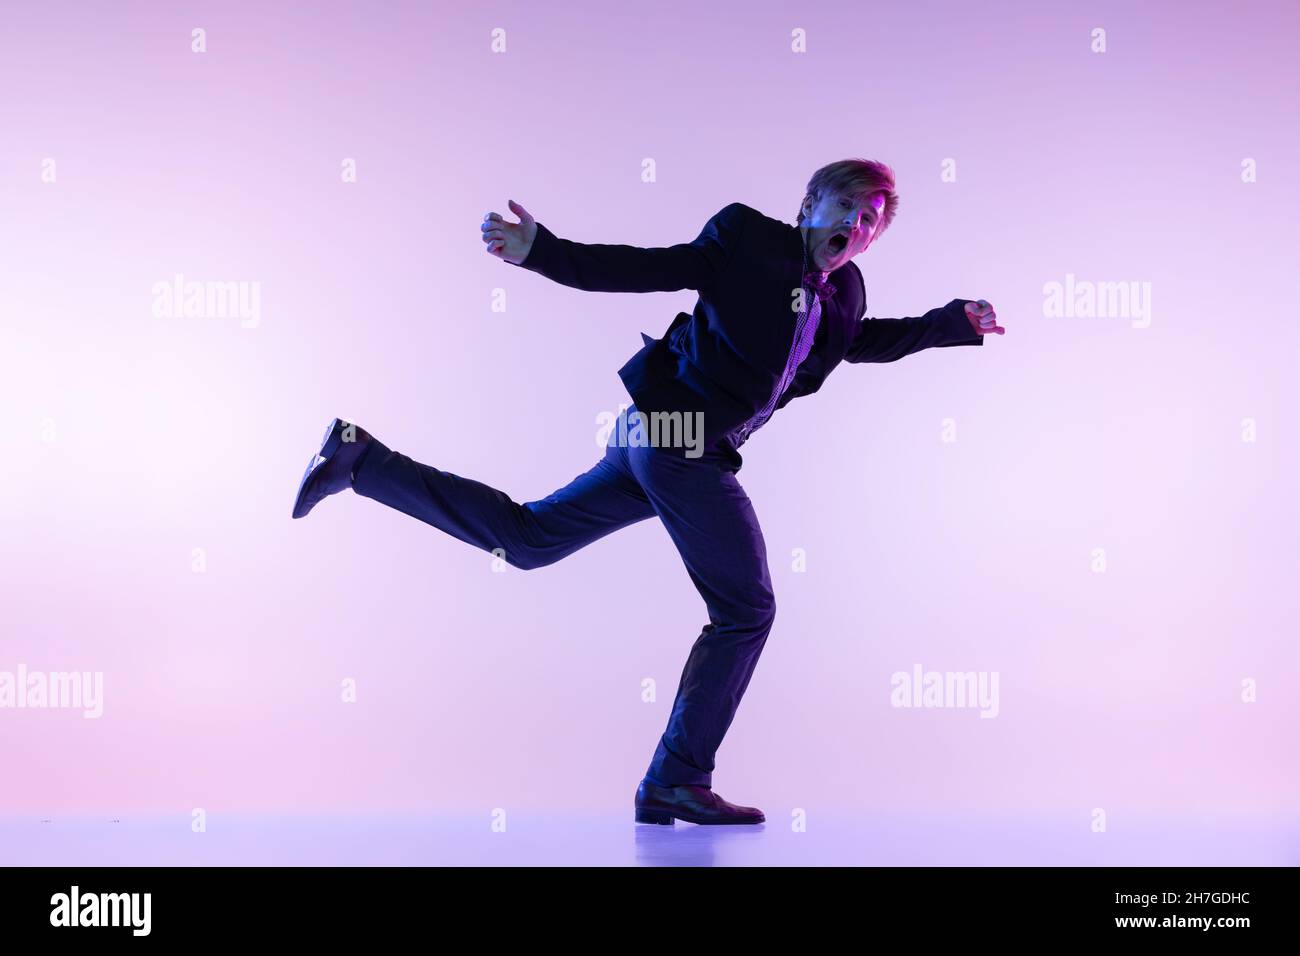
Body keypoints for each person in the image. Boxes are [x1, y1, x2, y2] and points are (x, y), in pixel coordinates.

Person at [292, 158, 1004, 826]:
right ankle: (676, 777)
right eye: (847, 204)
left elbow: (852, 341)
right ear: (812, 204)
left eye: (874, 217)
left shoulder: (844, 291)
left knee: (532, 539)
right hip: (677, 437)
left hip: (660, 439)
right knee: (746, 608)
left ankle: (362, 461)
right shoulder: (746, 238)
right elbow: (648, 268)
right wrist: (542, 250)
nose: (859, 221)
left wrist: (950, 323)